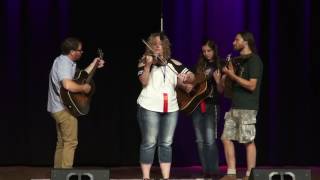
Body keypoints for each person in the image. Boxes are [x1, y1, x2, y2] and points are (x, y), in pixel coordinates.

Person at [136, 32, 195, 180]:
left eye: (160, 44)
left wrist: (187, 78)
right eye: (154, 44)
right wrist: (149, 64)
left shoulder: (173, 63)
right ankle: (146, 177)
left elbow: (191, 78)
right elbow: (143, 81)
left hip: (171, 108)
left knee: (166, 143)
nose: (157, 47)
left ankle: (166, 177)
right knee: (149, 142)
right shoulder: (144, 61)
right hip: (149, 106)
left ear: (165, 47)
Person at [47, 37, 105, 168]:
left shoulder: (63, 61)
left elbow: (81, 76)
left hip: (57, 107)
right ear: (72, 52)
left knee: (62, 142)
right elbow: (67, 85)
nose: (81, 52)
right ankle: (65, 173)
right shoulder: (64, 64)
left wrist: (94, 63)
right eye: (80, 50)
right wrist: (83, 88)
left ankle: (58, 175)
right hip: (63, 108)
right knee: (71, 142)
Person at [219, 32, 263, 180]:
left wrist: (232, 75)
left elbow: (252, 85)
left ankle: (250, 175)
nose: (233, 42)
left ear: (246, 42)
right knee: (226, 138)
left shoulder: (254, 60)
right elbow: (225, 88)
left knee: (247, 140)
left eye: (236, 39)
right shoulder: (237, 61)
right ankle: (231, 172)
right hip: (235, 106)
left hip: (248, 107)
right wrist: (223, 78)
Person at [190, 40, 223, 178]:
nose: (206, 53)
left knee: (210, 140)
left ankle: (214, 171)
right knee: (199, 140)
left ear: (214, 51)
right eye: (204, 51)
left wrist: (218, 81)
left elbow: (221, 90)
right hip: (197, 105)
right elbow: (191, 83)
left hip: (211, 106)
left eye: (208, 51)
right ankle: (205, 170)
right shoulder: (199, 66)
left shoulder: (220, 65)